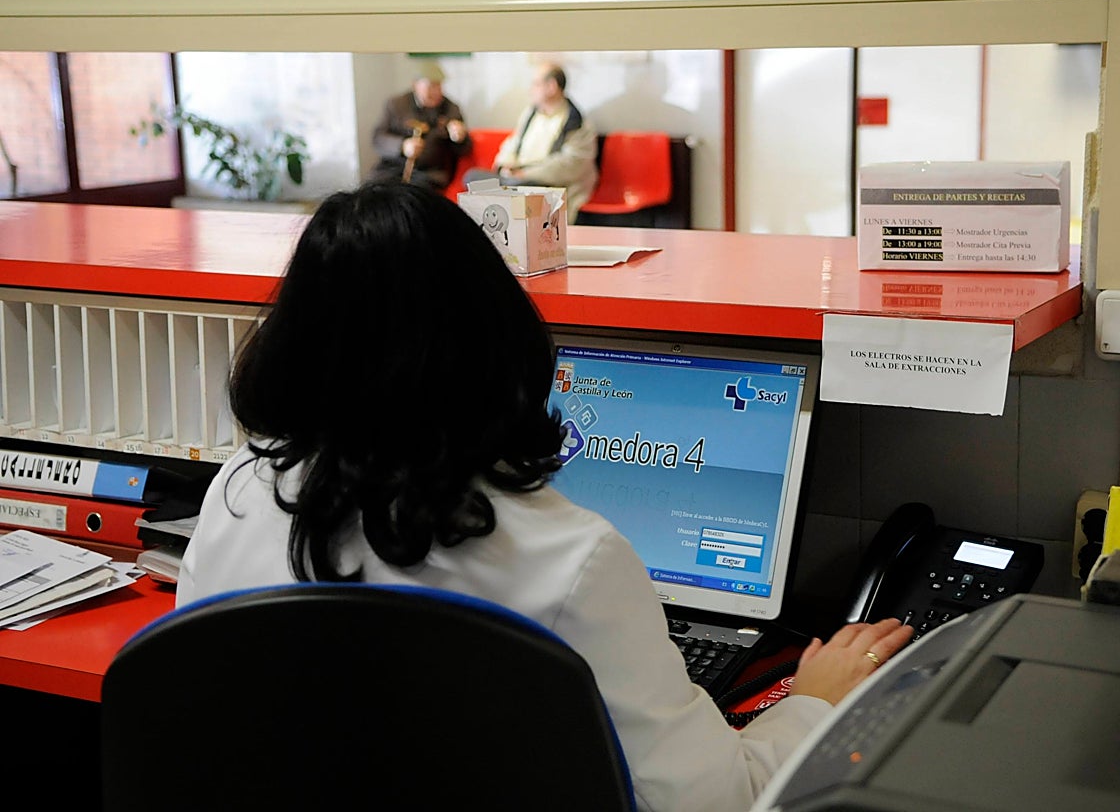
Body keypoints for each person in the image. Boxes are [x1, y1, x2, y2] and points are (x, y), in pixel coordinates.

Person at [176, 180, 912, 812]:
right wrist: (815, 699)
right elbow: (715, 801)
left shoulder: (238, 490)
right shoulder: (576, 560)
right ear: (496, 342)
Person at [464, 63, 598, 222]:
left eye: (535, 84)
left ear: (551, 86)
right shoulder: (531, 113)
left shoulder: (577, 123)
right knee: (472, 177)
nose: (530, 89)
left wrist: (525, 174)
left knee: (520, 188)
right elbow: (513, 143)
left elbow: (568, 165)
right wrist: (504, 164)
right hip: (515, 178)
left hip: (543, 183)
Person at [370, 60, 470, 193]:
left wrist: (460, 138)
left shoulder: (451, 109)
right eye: (430, 86)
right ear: (415, 84)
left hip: (430, 172)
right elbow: (378, 138)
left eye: (438, 86)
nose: (435, 92)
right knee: (373, 190)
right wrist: (402, 146)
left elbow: (464, 149)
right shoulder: (396, 104)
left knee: (416, 195)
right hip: (393, 167)